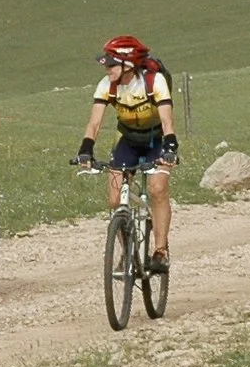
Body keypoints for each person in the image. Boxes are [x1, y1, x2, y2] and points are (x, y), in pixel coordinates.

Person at [73, 35, 179, 271]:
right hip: (127, 140)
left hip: (156, 139)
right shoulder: (107, 85)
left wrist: (170, 148)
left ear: (128, 65)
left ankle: (161, 251)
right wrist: (85, 149)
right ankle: (127, 252)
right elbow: (94, 123)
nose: (107, 69)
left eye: (112, 64)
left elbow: (167, 122)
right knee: (114, 200)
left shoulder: (154, 81)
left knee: (157, 189)